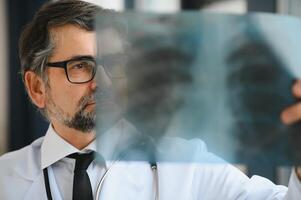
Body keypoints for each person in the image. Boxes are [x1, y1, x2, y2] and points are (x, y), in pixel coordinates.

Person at [0, 0, 301, 199]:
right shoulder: (6, 178)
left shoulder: (186, 164)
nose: (102, 82)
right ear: (37, 87)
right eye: (80, 65)